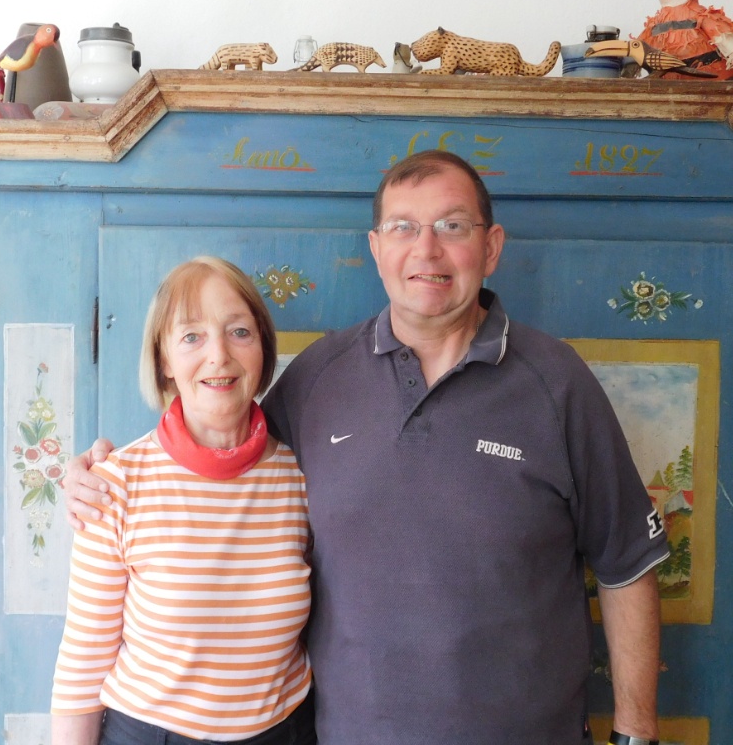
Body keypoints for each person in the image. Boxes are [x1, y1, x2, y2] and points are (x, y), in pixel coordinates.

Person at [64, 151, 669, 745]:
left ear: (491, 247)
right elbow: (222, 451)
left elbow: (628, 566)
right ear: (377, 249)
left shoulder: (558, 383)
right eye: (403, 228)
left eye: (452, 227)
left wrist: (636, 735)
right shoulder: (318, 379)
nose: (425, 250)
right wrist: (98, 477)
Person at [52, 256, 315, 745]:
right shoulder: (114, 485)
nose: (219, 355)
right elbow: (83, 661)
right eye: (191, 336)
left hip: (285, 731)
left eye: (239, 331)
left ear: (262, 349)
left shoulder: (303, 475)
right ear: (164, 360)